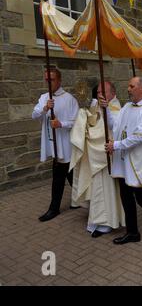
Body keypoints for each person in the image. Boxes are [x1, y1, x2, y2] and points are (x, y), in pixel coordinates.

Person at [103, 76, 142, 244]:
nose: (129, 89)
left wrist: (116, 145)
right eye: (128, 86)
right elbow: (116, 125)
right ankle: (132, 232)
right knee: (125, 195)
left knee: (140, 195)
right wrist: (106, 109)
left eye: (132, 86)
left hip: (141, 159)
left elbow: (139, 136)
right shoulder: (127, 107)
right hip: (125, 156)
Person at [70, 81, 125, 238]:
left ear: (113, 93)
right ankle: (98, 219)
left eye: (103, 92)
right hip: (97, 156)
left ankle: (107, 222)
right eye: (98, 92)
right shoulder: (101, 106)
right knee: (98, 190)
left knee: (106, 190)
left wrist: (91, 133)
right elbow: (95, 123)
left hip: (106, 157)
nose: (100, 95)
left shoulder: (115, 108)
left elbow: (112, 129)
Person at [32, 68, 79, 222]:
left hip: (65, 144)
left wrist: (61, 124)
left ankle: (54, 209)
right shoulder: (44, 97)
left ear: (59, 80)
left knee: (61, 176)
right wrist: (45, 108)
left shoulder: (69, 99)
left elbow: (77, 123)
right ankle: (81, 200)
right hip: (52, 143)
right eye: (46, 79)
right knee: (69, 175)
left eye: (51, 79)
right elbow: (34, 115)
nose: (48, 82)